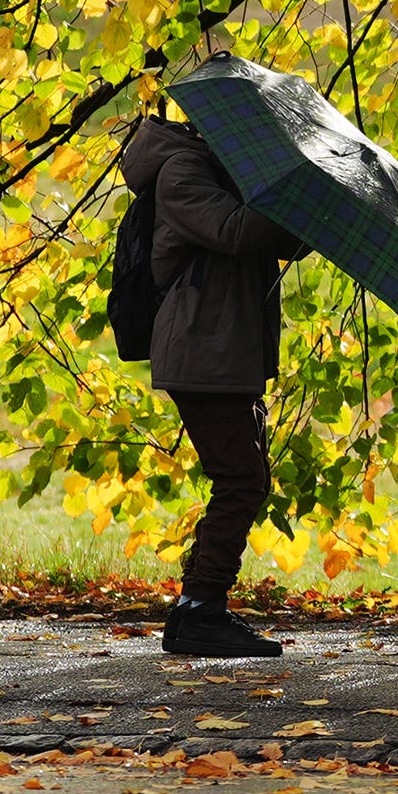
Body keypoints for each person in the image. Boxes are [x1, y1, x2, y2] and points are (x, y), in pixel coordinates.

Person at [123, 108, 309, 659]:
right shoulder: (182, 172)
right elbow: (235, 231)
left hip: (227, 350)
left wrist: (299, 210)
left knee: (245, 476)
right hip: (201, 348)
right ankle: (203, 608)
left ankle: (194, 611)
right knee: (242, 479)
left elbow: (282, 242)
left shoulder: (221, 172)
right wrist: (289, 194)